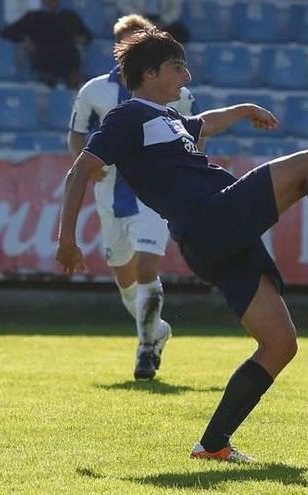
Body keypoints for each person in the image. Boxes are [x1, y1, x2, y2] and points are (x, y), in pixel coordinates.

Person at [55, 27, 308, 462]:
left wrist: (245, 108)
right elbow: (80, 170)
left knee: (280, 344)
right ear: (151, 72)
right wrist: (67, 239)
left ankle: (212, 445)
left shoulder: (169, 119)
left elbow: (204, 124)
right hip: (208, 219)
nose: (188, 76)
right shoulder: (127, 117)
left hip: (213, 238)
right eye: (178, 67)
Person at [68, 14, 197, 381]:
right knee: (125, 279)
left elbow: (191, 134)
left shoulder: (178, 95)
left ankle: (144, 349)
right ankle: (155, 332)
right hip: (110, 193)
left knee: (145, 268)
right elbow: (77, 136)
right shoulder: (94, 91)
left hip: (151, 193)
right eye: (128, 41)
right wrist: (88, 164)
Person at [0, 0, 91, 88]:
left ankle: (73, 83)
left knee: (72, 63)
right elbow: (7, 32)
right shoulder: (34, 18)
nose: (51, 3)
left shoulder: (70, 17)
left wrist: (80, 39)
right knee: (46, 72)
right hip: (45, 62)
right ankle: (50, 84)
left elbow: (88, 36)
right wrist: (25, 39)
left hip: (68, 61)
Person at [116, 0, 190, 43]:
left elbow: (175, 9)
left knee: (180, 33)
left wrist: (163, 21)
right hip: (138, 19)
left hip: (163, 22)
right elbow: (124, 5)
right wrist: (142, 21)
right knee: (125, 31)